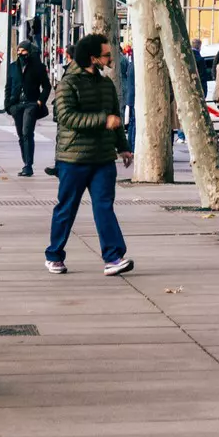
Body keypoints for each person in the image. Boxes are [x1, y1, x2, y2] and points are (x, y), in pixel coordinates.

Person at [45, 33, 134, 276]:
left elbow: (116, 117)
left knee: (104, 206)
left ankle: (114, 257)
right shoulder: (68, 83)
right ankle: (54, 254)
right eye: (106, 55)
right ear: (93, 58)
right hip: (73, 159)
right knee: (67, 208)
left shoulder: (107, 84)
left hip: (103, 158)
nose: (111, 58)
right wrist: (103, 121)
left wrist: (123, 147)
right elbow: (66, 117)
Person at [4, 41, 52, 177]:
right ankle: (25, 162)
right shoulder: (13, 67)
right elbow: (8, 86)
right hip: (16, 105)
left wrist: (39, 102)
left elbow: (47, 86)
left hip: (31, 104)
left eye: (23, 51)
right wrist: (8, 105)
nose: (20, 54)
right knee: (20, 135)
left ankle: (28, 165)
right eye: (18, 51)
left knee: (27, 133)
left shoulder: (38, 67)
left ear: (29, 52)